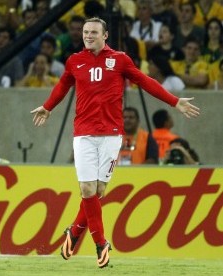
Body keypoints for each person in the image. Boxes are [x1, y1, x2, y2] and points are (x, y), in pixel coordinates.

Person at [30, 17, 200, 269]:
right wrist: (47, 107)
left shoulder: (120, 60)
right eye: (86, 32)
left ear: (105, 35)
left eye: (93, 32)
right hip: (84, 134)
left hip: (111, 134)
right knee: (87, 190)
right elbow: (63, 87)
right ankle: (101, 243)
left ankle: (74, 233)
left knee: (98, 192)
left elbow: (146, 82)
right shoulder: (74, 61)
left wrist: (175, 101)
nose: (88, 35)